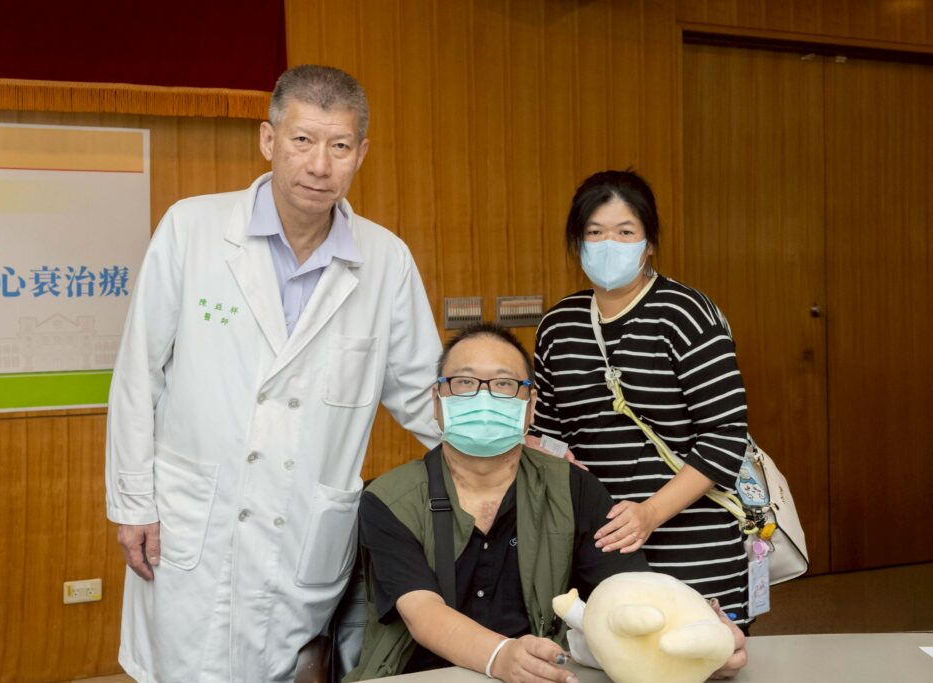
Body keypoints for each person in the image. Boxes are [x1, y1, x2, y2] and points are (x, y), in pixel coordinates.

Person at [105, 65, 442, 683]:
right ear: (269, 139)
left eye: (339, 146)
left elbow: (424, 394)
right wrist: (133, 503)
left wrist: (522, 451)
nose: (319, 165)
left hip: (301, 532)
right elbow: (137, 377)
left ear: (361, 154)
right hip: (192, 523)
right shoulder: (192, 228)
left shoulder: (385, 260)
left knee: (289, 669)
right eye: (302, 140)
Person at [346, 324, 746, 681]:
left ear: (531, 405)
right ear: (437, 401)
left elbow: (628, 593)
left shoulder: (574, 489)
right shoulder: (389, 499)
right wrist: (501, 657)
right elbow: (423, 612)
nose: (484, 397)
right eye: (465, 383)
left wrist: (691, 636)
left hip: (547, 673)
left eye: (504, 384)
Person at [530, 170, 753, 626]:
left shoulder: (686, 314)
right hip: (598, 546)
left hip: (693, 545)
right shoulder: (558, 325)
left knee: (697, 652)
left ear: (648, 243)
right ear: (577, 243)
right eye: (595, 233)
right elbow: (546, 432)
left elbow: (725, 437)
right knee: (610, 652)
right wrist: (552, 456)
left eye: (625, 232)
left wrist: (650, 513)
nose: (609, 244)